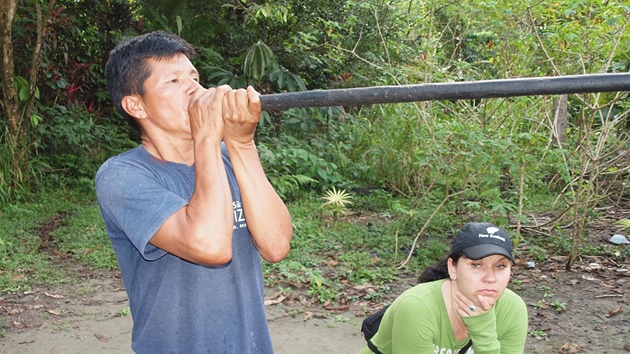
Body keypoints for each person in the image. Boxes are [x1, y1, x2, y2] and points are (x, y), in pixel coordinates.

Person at [95, 31, 293, 354]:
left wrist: (241, 143)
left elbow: (276, 244)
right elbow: (210, 245)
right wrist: (207, 137)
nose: (195, 88)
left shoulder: (230, 157)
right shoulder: (122, 177)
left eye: (194, 76)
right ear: (136, 105)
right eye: (173, 81)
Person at [360, 222, 528, 354]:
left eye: (500, 267)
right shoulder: (417, 307)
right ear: (453, 268)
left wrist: (484, 332)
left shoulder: (513, 309)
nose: (490, 278)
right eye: (476, 265)